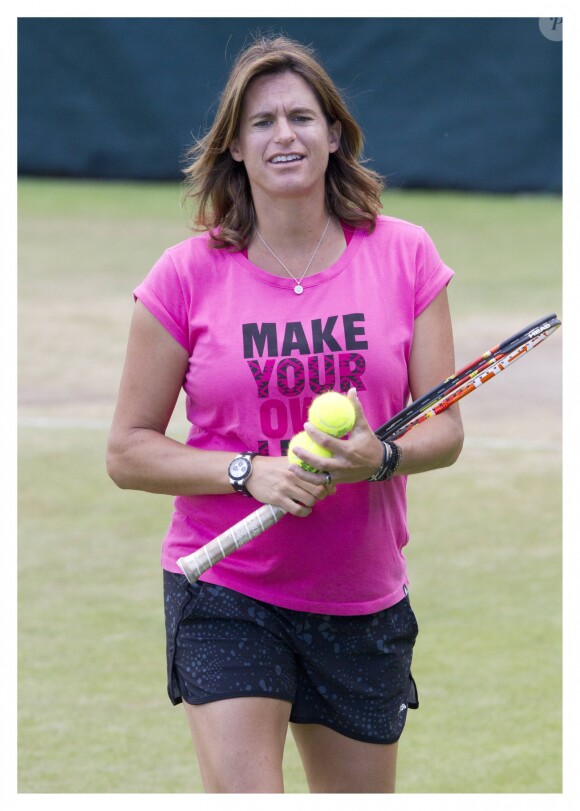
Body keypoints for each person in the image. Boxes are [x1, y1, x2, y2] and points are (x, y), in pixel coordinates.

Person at [107, 34, 464, 794]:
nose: (284, 135)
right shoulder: (185, 274)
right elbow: (128, 450)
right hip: (226, 585)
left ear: (335, 135)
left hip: (360, 593)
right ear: (235, 145)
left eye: (302, 117)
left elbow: (444, 428)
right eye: (262, 121)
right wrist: (248, 472)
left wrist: (384, 458)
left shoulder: (405, 255)